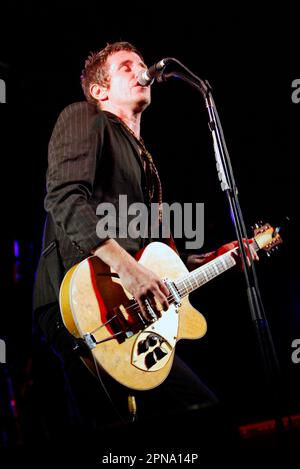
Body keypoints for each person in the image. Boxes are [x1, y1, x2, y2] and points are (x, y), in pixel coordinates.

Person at [33, 41, 257, 453]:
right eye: (126, 66)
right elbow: (63, 197)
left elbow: (145, 252)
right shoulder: (85, 117)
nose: (142, 69)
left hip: (126, 305)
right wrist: (133, 273)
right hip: (85, 301)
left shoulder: (141, 159)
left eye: (141, 62)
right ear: (100, 90)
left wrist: (205, 260)